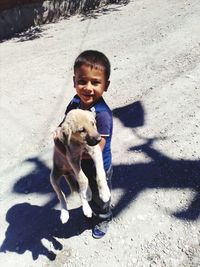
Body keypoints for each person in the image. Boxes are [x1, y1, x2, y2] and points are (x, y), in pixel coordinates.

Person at [53, 50, 113, 239]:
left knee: (99, 193)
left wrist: (67, 151)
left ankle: (103, 217)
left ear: (106, 85)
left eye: (95, 82)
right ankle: (92, 210)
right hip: (80, 159)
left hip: (98, 163)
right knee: (84, 188)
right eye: (82, 81)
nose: (87, 88)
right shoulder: (74, 102)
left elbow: (97, 145)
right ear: (74, 82)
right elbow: (65, 124)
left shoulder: (102, 113)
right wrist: (60, 133)